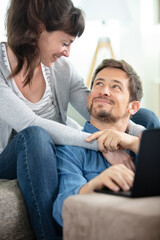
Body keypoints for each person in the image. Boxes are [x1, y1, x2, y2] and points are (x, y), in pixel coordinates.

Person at [0, 0, 159, 239]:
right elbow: (30, 124)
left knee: (144, 116)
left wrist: (130, 139)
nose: (67, 52)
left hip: (52, 143)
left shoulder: (62, 68)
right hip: (14, 153)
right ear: (39, 30)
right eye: (65, 43)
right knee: (35, 138)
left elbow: (97, 107)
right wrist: (105, 144)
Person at [53, 58, 150, 227]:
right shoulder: (70, 150)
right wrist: (95, 186)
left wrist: (134, 143)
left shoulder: (143, 145)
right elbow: (63, 212)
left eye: (115, 87)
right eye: (98, 84)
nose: (104, 91)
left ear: (133, 107)